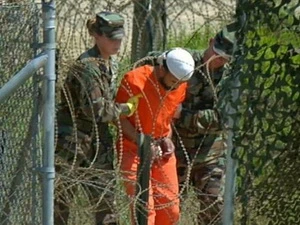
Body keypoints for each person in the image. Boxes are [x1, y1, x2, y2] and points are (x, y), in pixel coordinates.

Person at [54, 11, 140, 225]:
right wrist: (124, 109)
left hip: (96, 140)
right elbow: (95, 110)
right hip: (73, 142)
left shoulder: (107, 63)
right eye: (112, 38)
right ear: (97, 36)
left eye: (120, 38)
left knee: (105, 202)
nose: (117, 43)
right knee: (61, 203)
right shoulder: (88, 67)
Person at [115, 48, 195, 225]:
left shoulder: (180, 84)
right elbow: (119, 119)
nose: (175, 87)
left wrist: (167, 138)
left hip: (161, 151)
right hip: (133, 149)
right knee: (145, 211)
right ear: (161, 68)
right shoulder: (135, 81)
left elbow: (167, 117)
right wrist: (143, 142)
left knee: (171, 210)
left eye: (179, 84)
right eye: (173, 82)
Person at [173, 24, 236, 224]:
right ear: (210, 42)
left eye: (223, 58)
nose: (217, 61)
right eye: (216, 54)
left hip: (210, 153)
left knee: (215, 206)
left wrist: (183, 115)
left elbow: (222, 119)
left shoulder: (230, 79)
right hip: (175, 150)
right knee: (167, 209)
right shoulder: (182, 63)